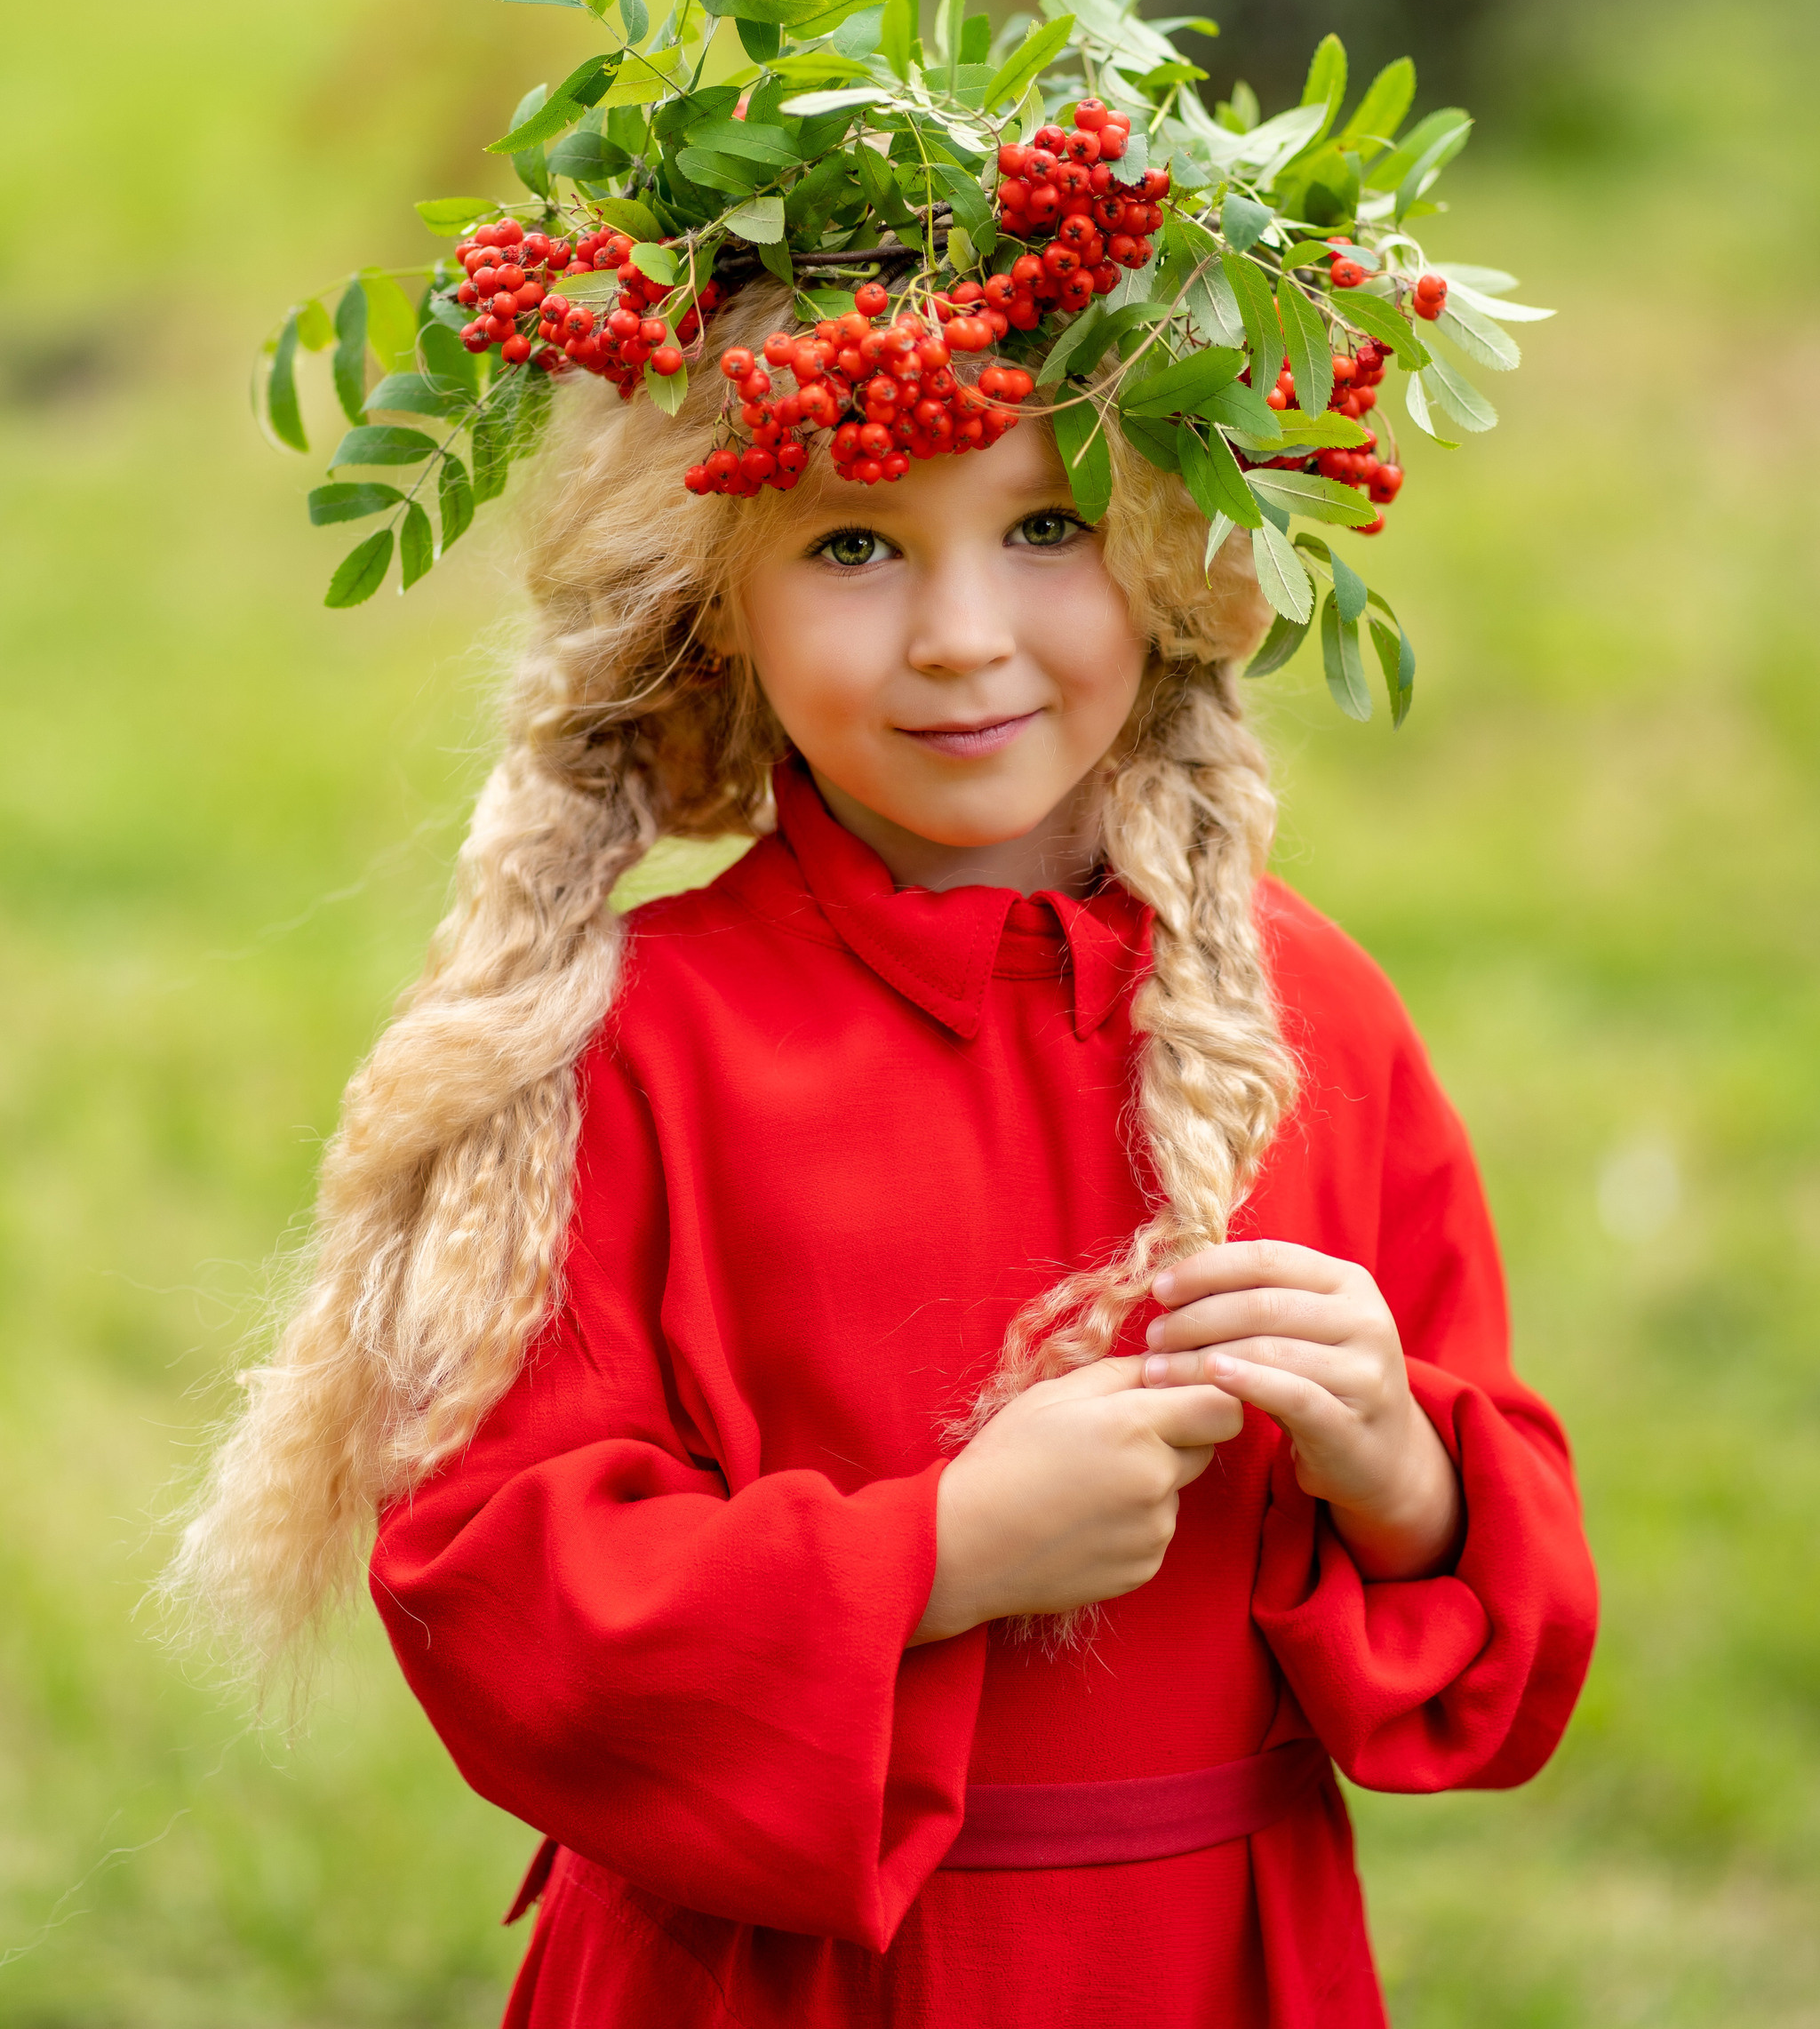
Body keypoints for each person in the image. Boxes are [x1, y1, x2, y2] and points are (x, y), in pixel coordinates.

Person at [176, 270, 1594, 2026]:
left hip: (1200, 1962)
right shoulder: (627, 1046)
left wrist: (1403, 1470)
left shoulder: (1318, 1018)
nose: (958, 633)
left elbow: (1514, 1627)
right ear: (716, 594)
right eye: (853, 543)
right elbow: (493, 1586)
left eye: (1049, 523)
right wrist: (937, 1551)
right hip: (767, 1982)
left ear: (1171, 545)